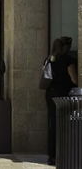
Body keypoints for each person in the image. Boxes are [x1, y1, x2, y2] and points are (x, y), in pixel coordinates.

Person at [45, 37, 78, 165]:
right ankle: (64, 153)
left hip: (50, 94)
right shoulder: (68, 60)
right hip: (63, 95)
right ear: (65, 47)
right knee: (64, 125)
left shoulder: (49, 58)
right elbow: (74, 79)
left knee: (52, 124)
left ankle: (52, 155)